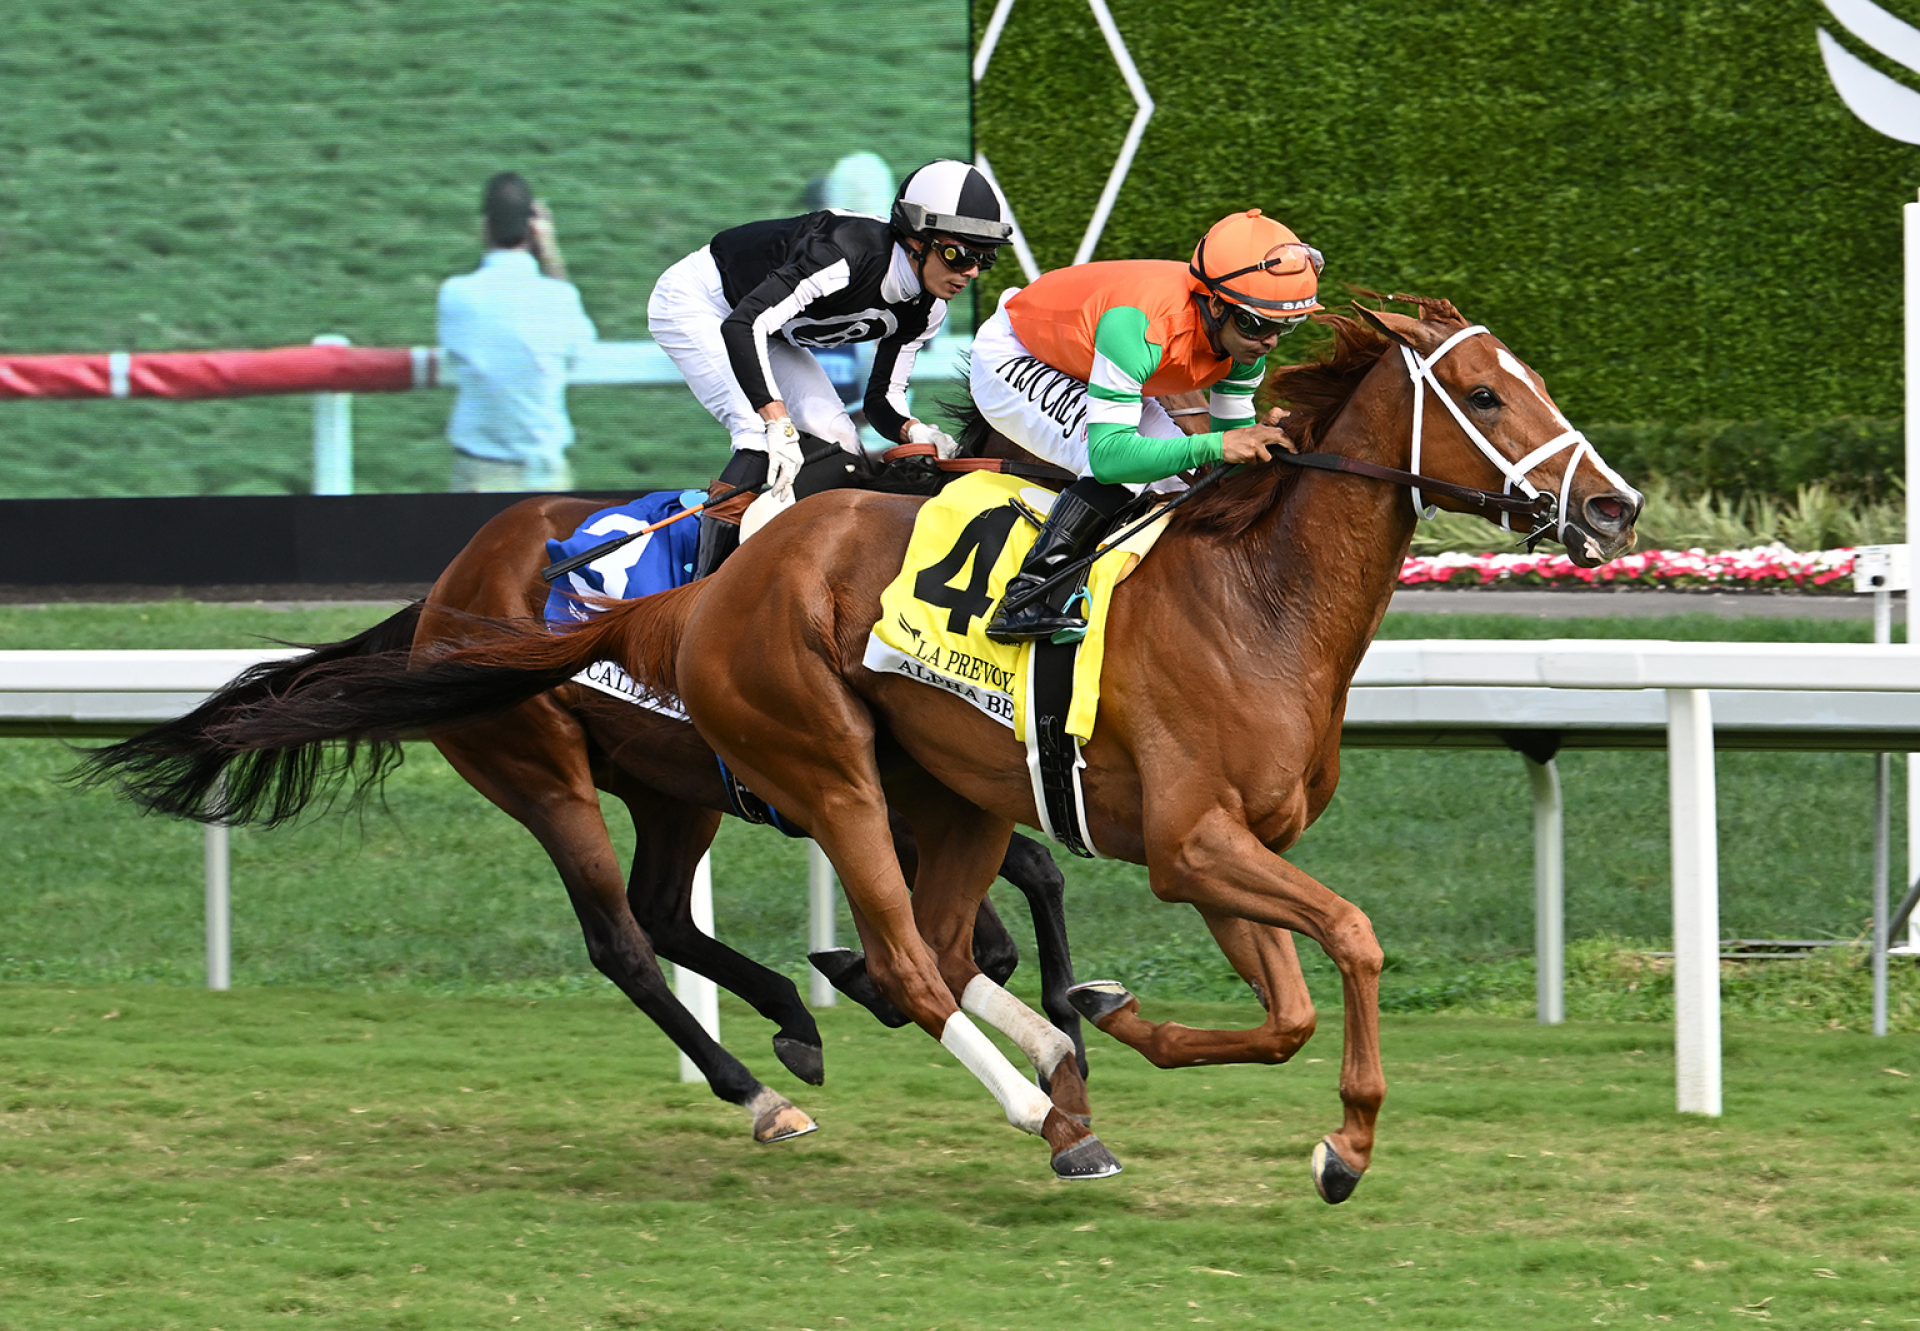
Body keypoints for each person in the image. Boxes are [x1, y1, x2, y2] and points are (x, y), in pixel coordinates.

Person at [970, 208, 1322, 642]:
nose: (1267, 340)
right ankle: (1026, 598)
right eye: (1255, 323)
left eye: (1283, 326)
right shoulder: (1143, 326)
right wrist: (1220, 444)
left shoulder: (1245, 344)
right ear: (1214, 303)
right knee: (1129, 472)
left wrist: (1265, 442)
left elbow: (1226, 466)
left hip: (1091, 357)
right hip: (1018, 353)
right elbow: (1111, 458)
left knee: (1179, 483)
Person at [646, 158, 1010, 577]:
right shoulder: (845, 256)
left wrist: (915, 430)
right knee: (756, 434)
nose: (970, 272)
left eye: (985, 259)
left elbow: (882, 401)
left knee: (843, 444)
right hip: (702, 303)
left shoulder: (927, 310)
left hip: (769, 329)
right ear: (916, 238)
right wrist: (777, 419)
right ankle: (702, 592)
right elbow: (743, 324)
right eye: (958, 253)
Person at [438, 172, 598, 492]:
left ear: (484, 227)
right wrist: (550, 253)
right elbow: (582, 347)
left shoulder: (456, 294)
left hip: (477, 475)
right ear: (533, 229)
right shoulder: (558, 297)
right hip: (544, 477)